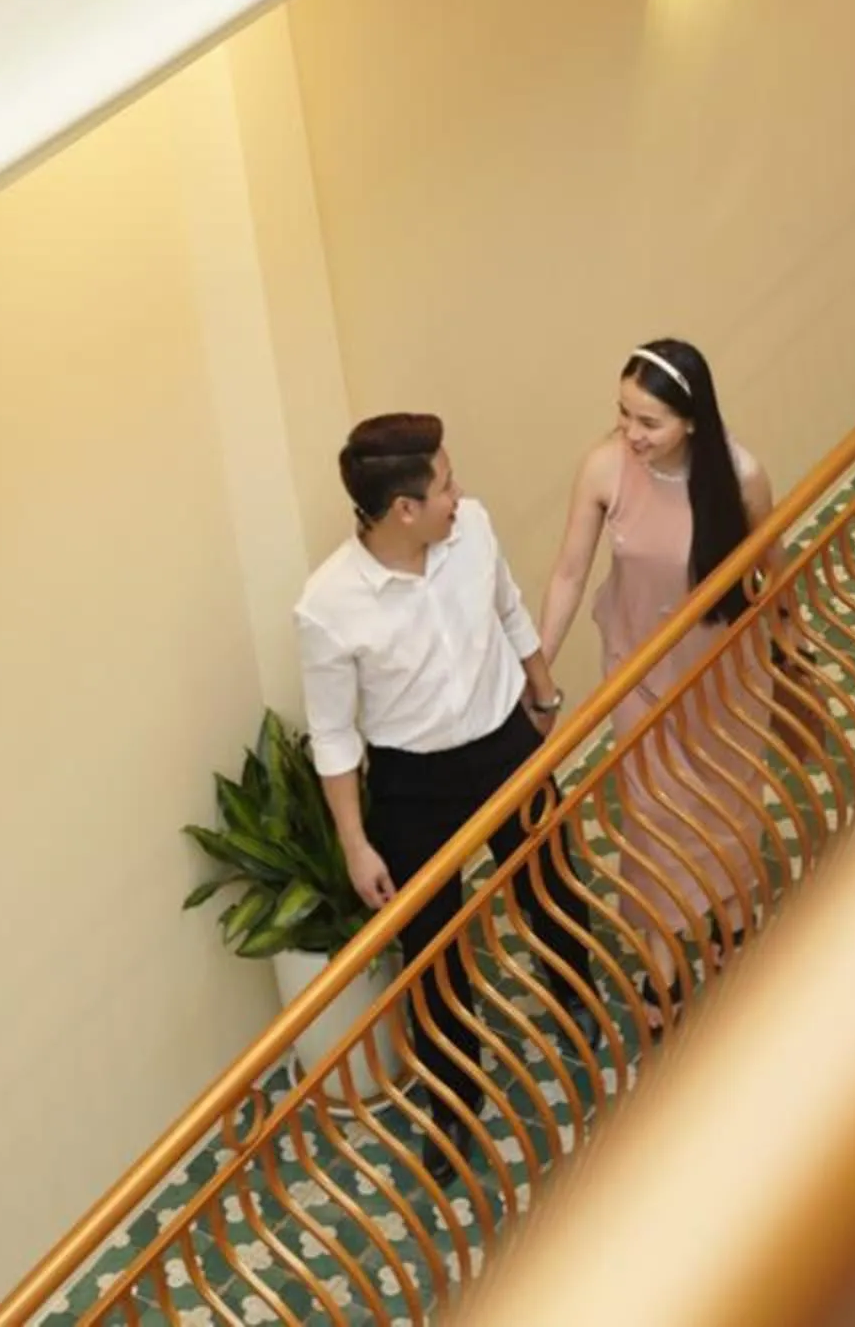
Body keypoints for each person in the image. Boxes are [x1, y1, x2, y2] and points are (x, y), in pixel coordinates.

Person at [295, 413, 595, 1157]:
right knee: (432, 951)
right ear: (404, 510)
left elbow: (509, 608)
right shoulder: (328, 605)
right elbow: (332, 736)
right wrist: (357, 845)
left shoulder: (475, 530)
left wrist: (543, 688)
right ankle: (455, 1101)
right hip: (412, 782)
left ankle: (576, 998)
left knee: (550, 886)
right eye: (445, 485)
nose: (458, 496)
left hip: (504, 743)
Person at [536, 336, 786, 1001]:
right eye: (623, 414)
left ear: (692, 422)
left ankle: (732, 921)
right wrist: (538, 668)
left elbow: (773, 563)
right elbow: (568, 572)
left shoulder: (740, 473)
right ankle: (661, 964)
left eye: (649, 422)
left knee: (725, 804)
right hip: (637, 668)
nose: (631, 433)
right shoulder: (603, 467)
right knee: (650, 815)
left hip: (724, 672)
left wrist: (793, 641)